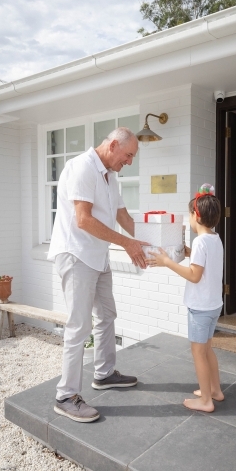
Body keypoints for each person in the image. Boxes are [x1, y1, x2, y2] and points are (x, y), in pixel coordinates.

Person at [48, 127, 148, 423]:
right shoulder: (82, 167)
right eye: (128, 155)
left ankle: (103, 373)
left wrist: (152, 244)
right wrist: (127, 244)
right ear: (114, 145)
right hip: (76, 254)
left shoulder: (110, 175)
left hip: (97, 255)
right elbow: (83, 220)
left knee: (107, 314)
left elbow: (123, 216)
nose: (129, 162)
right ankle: (65, 396)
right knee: (79, 327)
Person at [146, 184, 224, 412]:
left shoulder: (200, 242)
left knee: (198, 352)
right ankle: (215, 391)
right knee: (208, 349)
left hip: (199, 308)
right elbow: (205, 265)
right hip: (213, 305)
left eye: (190, 214)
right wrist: (190, 254)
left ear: (195, 215)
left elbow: (194, 275)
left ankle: (206, 401)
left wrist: (167, 262)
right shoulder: (214, 238)